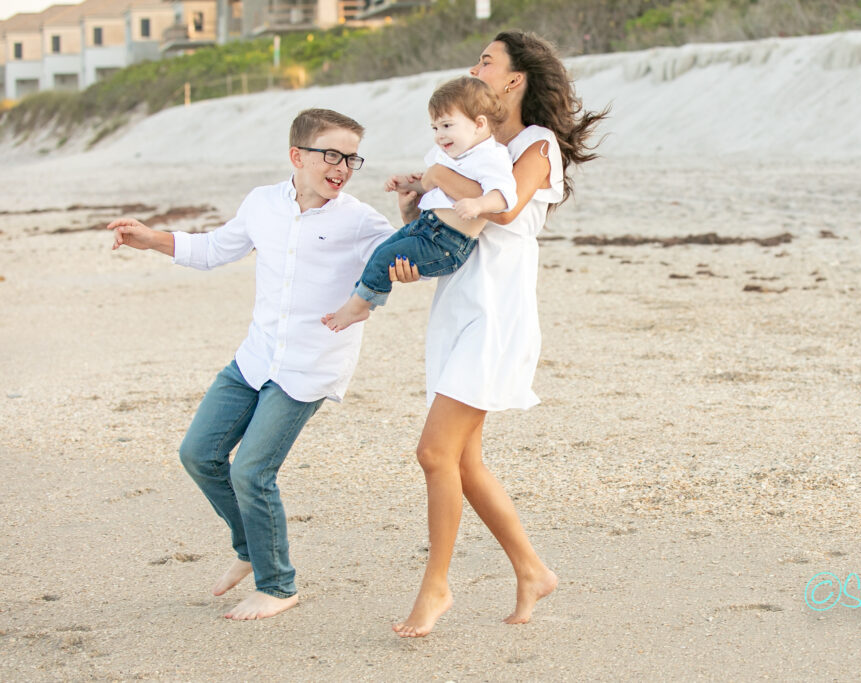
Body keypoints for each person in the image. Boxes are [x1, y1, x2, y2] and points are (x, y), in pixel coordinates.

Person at [106, 109, 402, 620]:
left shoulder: (359, 219)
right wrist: (151, 238)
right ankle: (251, 549)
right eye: (332, 154)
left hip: (309, 366)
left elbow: (401, 258)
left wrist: (415, 214)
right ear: (297, 156)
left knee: (252, 472)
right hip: (255, 357)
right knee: (198, 454)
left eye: (351, 158)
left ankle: (278, 584)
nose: (343, 167)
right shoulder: (262, 203)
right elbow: (213, 249)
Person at [389, 31, 607, 637]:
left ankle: (436, 587)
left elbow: (503, 209)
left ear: (514, 80)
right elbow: (440, 222)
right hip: (455, 303)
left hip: (496, 310)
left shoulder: (536, 145)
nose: (474, 66)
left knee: (434, 452)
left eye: (487, 60)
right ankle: (532, 569)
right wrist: (414, 211)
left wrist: (439, 172)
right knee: (464, 460)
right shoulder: (468, 144)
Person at [322, 76, 516, 333]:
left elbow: (505, 195)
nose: (439, 135)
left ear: (479, 124)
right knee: (382, 250)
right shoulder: (454, 155)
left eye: (447, 125)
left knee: (385, 257)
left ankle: (359, 307)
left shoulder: (490, 157)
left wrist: (479, 204)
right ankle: (361, 298)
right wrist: (409, 185)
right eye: (435, 128)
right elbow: (436, 185)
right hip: (428, 227)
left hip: (448, 242)